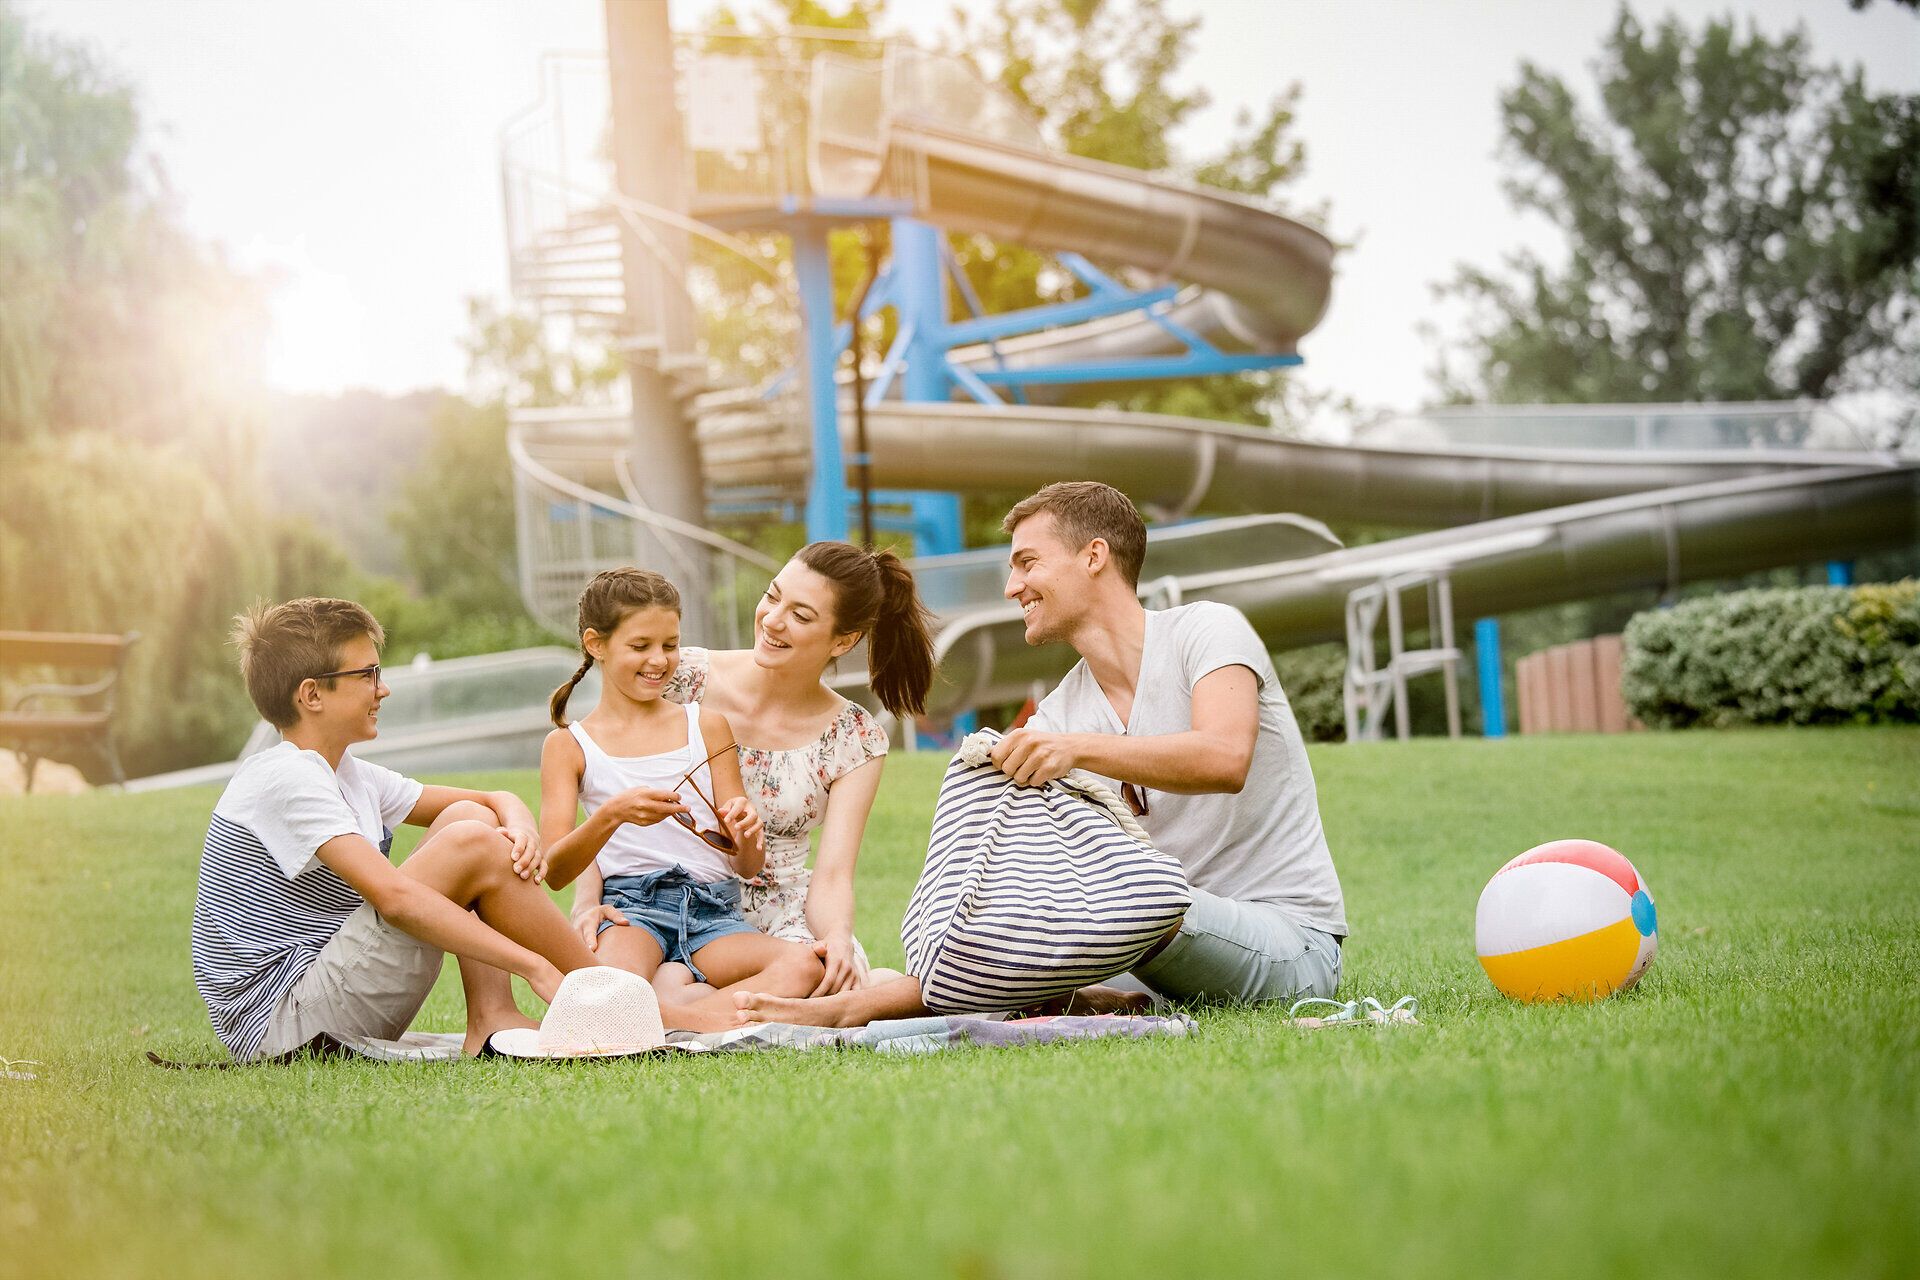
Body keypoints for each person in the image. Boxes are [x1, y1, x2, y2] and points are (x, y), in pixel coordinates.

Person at [737, 481, 1346, 1027]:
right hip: (1150, 956)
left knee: (1128, 900)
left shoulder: (1207, 632)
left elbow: (1224, 759)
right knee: (1005, 942)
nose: (1011, 587)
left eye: (1027, 563)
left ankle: (1079, 992)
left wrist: (1075, 750)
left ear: (1094, 556)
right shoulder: (1061, 710)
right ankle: (840, 1010)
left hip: (1289, 944)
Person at [190, 598, 604, 1062]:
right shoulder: (288, 778)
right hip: (286, 1026)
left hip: (323, 991)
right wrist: (534, 966)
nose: (382, 689)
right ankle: (607, 996)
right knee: (469, 841)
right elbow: (395, 899)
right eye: (366, 675)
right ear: (311, 695)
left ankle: (497, 1015)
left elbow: (488, 801)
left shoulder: (345, 772)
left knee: (468, 819)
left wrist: (520, 824)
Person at [566, 542, 934, 999]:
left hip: (778, 916)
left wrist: (837, 936)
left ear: (843, 640)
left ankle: (687, 1004)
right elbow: (603, 788)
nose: (773, 619)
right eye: (773, 595)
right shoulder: (683, 676)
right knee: (626, 983)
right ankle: (693, 1003)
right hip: (659, 900)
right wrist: (587, 903)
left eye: (801, 615)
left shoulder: (854, 737)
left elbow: (833, 875)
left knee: (822, 976)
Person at [539, 567, 828, 1022]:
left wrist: (746, 832)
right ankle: (704, 1018)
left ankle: (666, 1017)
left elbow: (746, 865)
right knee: (599, 988)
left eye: (670, 646)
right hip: (632, 912)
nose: (659, 660)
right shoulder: (569, 745)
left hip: (713, 909)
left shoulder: (705, 725)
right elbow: (554, 870)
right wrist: (611, 815)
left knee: (802, 965)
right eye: (640, 647)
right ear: (596, 644)